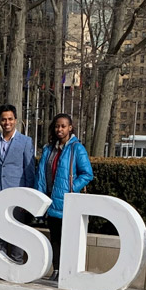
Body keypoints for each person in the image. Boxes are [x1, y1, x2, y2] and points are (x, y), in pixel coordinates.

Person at [35, 114, 93, 280]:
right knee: (54, 238)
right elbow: (41, 174)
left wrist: (71, 188)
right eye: (57, 126)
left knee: (67, 239)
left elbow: (87, 174)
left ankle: (67, 271)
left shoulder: (76, 148)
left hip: (67, 202)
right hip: (50, 201)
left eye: (63, 126)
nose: (59, 129)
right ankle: (57, 269)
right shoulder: (48, 149)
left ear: (70, 128)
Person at [0, 104, 36, 264]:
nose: (7, 122)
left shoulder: (25, 141)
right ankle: (2, 264)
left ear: (16, 120)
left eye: (10, 119)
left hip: (17, 194)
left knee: (17, 230)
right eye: (4, 119)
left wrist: (28, 197)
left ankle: (17, 262)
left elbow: (29, 171)